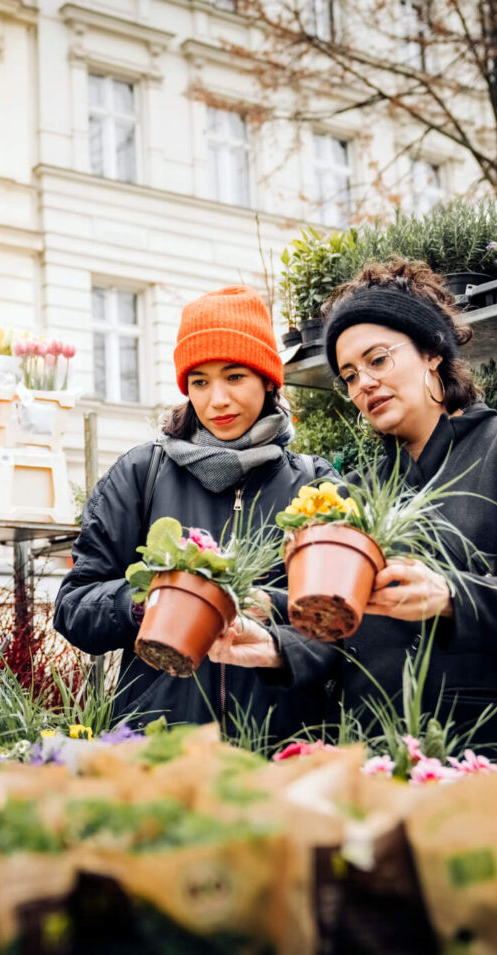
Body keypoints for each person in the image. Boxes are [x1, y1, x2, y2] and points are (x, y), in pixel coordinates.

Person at [296, 258, 497, 768]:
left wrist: (449, 594)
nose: (363, 382)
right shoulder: (355, 491)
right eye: (349, 374)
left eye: (378, 359)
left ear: (431, 352)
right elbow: (336, 619)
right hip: (376, 748)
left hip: (488, 745)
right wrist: (263, 627)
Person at [53, 285, 339, 743]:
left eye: (234, 377)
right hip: (160, 750)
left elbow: (343, 623)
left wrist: (269, 608)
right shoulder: (140, 474)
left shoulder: (313, 486)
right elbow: (73, 607)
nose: (217, 400)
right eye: (200, 381)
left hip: (280, 749)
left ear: (268, 380)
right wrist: (145, 600)